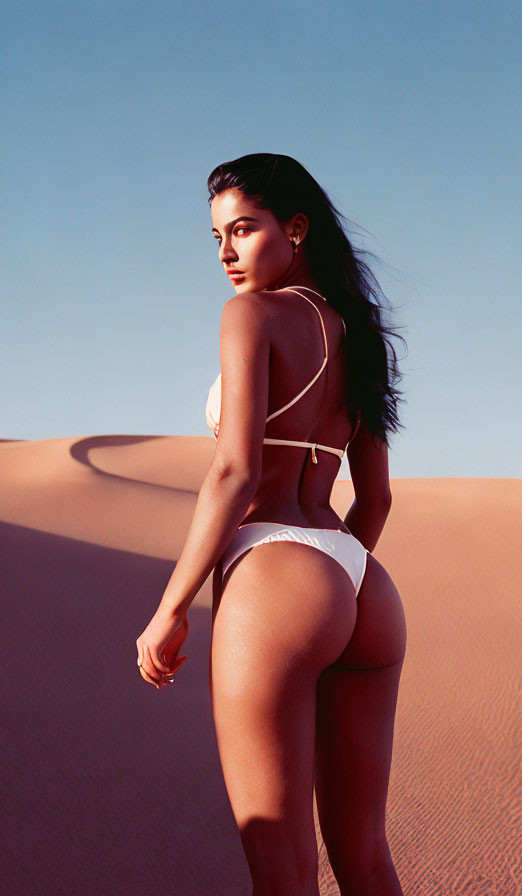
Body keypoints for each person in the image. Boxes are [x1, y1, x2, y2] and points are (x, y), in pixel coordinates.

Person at [136, 152, 407, 895]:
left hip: (275, 570)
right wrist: (335, 586)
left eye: (244, 229)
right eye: (217, 236)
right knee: (365, 855)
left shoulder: (251, 314)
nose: (227, 252)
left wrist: (170, 610)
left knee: (281, 870)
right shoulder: (362, 335)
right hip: (364, 589)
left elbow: (236, 472)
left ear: (296, 229)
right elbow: (376, 498)